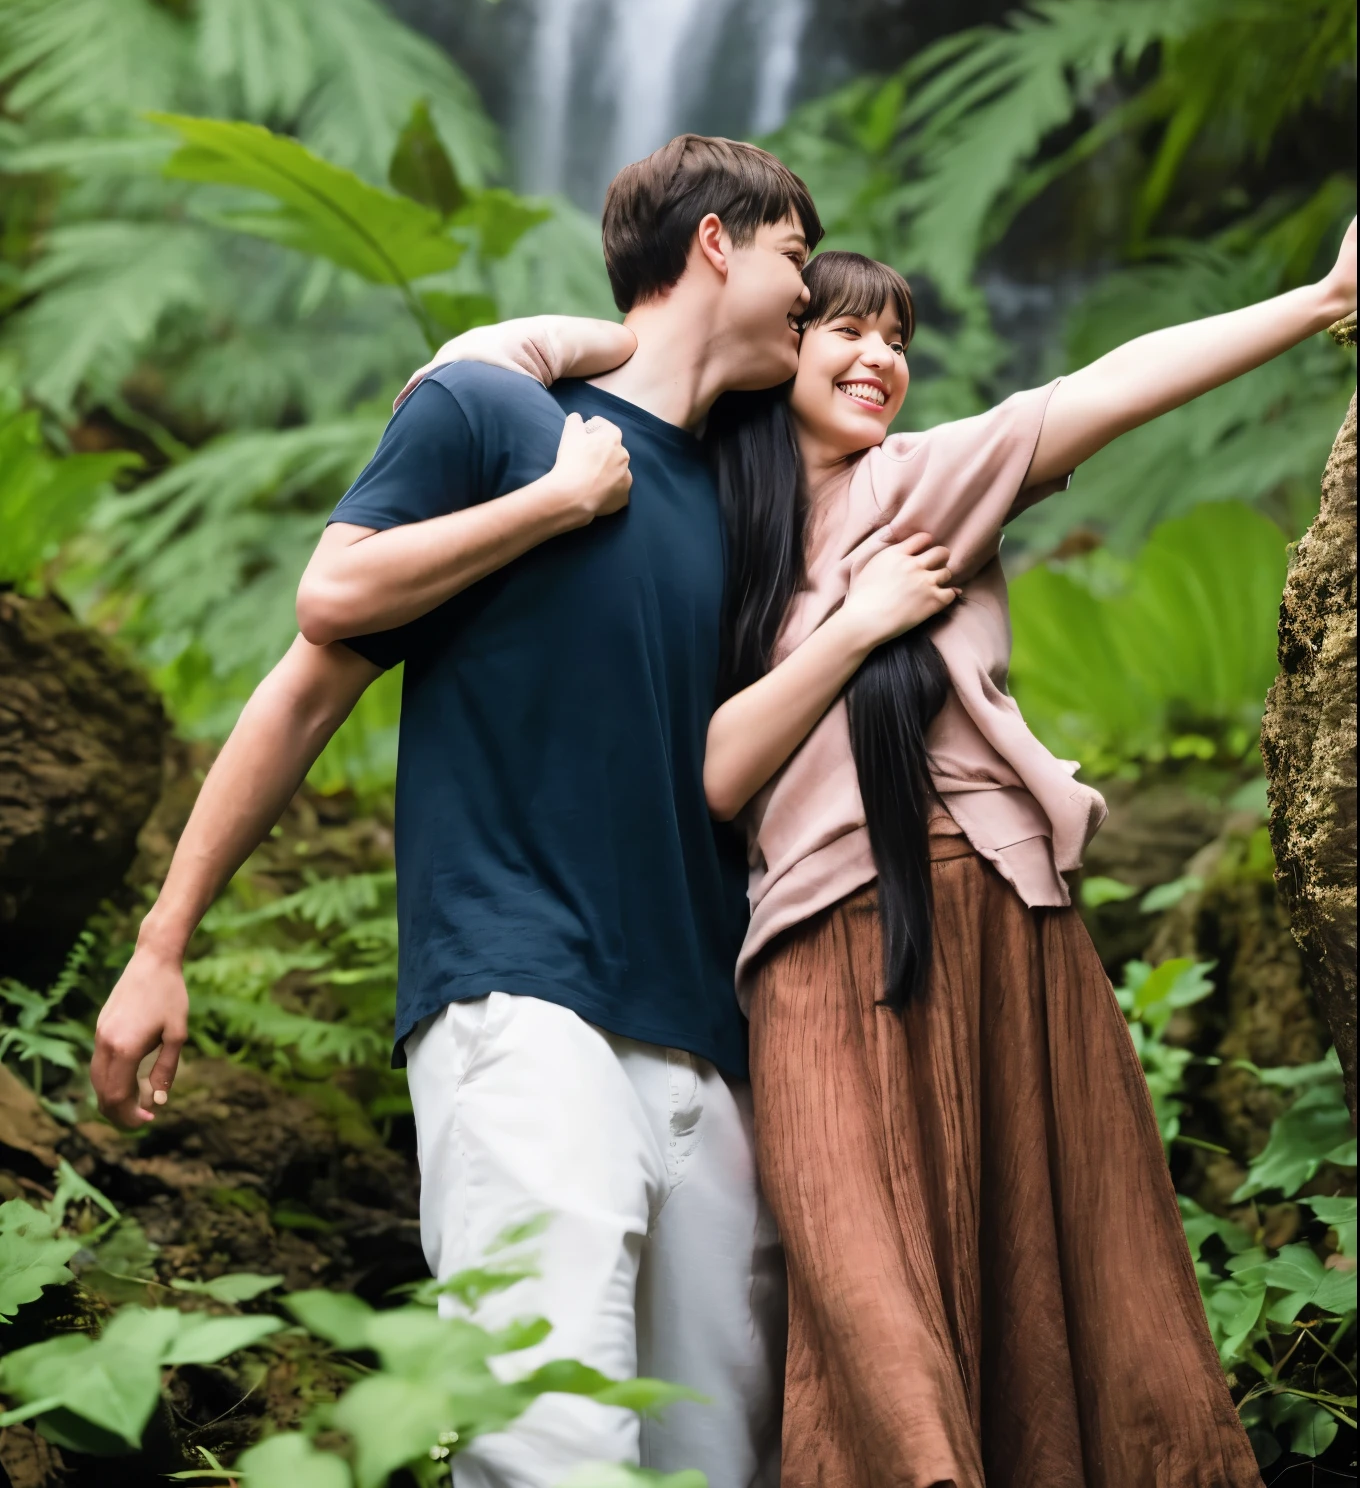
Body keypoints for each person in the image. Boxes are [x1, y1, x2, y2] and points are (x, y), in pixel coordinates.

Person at [93, 133, 824, 1488]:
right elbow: (320, 641)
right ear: (717, 241)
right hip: (520, 996)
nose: (813, 287)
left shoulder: (752, 490)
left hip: (709, 1043)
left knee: (722, 1464)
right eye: (795, 255)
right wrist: (162, 940)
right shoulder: (493, 421)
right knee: (548, 1449)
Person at [697, 226, 1356, 1488]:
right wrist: (851, 628)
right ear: (777, 340)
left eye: (898, 337)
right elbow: (718, 777)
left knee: (1076, 1289)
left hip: (991, 913)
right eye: (846, 328)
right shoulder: (708, 530)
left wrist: (1323, 297)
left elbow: (1103, 389)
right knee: (863, 1300)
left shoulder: (922, 479)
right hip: (808, 950)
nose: (880, 358)